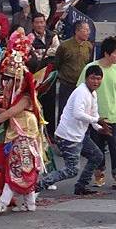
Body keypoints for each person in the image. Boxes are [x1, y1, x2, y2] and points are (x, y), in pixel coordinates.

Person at [0, 31, 42, 214]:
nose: (7, 82)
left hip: (24, 135)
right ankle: (30, 203)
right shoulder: (18, 96)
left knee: (16, 169)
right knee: (21, 168)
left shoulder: (26, 97)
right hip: (17, 133)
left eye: (11, 79)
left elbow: (10, 114)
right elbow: (8, 113)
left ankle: (3, 203)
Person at [38, 65, 109, 195]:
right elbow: (78, 114)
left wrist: (99, 128)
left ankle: (81, 186)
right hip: (68, 136)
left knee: (97, 156)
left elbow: (94, 115)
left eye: (98, 79)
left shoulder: (92, 94)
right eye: (93, 78)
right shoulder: (81, 92)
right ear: (86, 78)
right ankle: (38, 185)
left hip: (80, 135)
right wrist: (97, 121)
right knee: (71, 170)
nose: (96, 82)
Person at [78, 37, 116, 188]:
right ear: (107, 53)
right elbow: (80, 90)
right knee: (97, 150)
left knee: (115, 149)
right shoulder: (91, 68)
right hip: (94, 118)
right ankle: (99, 175)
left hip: (113, 116)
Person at [29, 13, 59, 136]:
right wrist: (44, 53)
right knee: (35, 104)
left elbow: (56, 50)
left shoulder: (52, 36)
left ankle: (50, 134)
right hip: (35, 76)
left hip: (50, 77)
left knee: (50, 105)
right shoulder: (29, 37)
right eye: (37, 22)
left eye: (42, 22)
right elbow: (31, 55)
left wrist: (41, 53)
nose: (40, 25)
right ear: (33, 24)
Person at [55, 21, 93, 118]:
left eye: (89, 30)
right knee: (64, 110)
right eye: (86, 30)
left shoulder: (89, 46)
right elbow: (58, 63)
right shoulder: (64, 46)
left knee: (81, 111)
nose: (88, 32)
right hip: (67, 84)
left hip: (81, 85)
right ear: (77, 31)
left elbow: (89, 64)